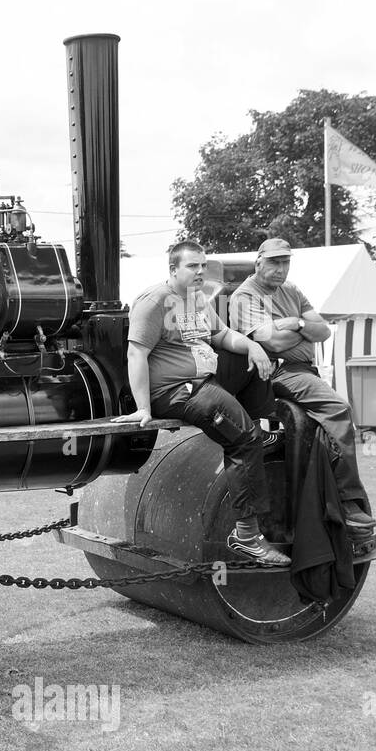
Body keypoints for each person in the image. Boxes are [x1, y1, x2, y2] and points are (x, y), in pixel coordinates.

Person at [112, 241, 291, 566]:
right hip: (178, 389)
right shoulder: (155, 302)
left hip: (204, 380)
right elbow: (136, 353)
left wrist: (252, 346)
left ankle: (256, 430)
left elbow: (222, 336)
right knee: (244, 440)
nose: (200, 272)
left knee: (257, 354)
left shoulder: (196, 299)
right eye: (192, 266)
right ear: (173, 270)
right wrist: (143, 408)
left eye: (202, 266)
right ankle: (247, 536)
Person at [227, 238, 375, 534]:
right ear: (259, 262)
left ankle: (330, 496)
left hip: (304, 370)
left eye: (286, 262)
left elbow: (322, 332)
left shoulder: (291, 290)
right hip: (277, 372)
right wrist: (299, 329)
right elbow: (273, 343)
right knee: (338, 409)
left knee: (328, 425)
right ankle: (348, 502)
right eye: (274, 262)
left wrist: (295, 324)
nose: (281, 269)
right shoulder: (245, 296)